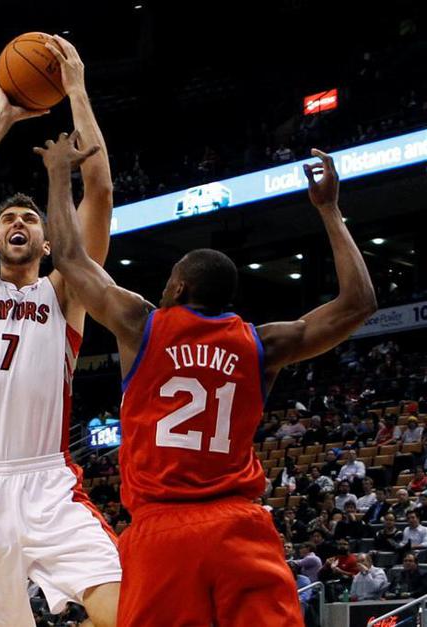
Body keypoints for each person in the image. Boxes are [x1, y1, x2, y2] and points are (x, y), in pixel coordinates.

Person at [38, 134, 376, 627]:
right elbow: (359, 303)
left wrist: (56, 173)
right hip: (238, 527)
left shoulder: (143, 324)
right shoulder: (263, 345)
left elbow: (69, 257)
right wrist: (329, 211)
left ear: (178, 285)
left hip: (161, 533)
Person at [0, 36, 120, 626]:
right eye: (8, 219)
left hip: (48, 481)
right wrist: (3, 114)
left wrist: (76, 90)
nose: (19, 222)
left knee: (126, 603)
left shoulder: (66, 291)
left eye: (30, 218)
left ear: (46, 240)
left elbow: (100, 191)